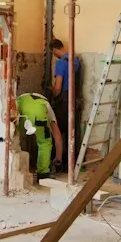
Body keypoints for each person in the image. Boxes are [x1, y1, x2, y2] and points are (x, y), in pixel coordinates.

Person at [50, 38, 81, 169]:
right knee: (72, 131)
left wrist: (52, 92)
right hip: (75, 100)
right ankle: (72, 163)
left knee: (58, 131)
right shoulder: (76, 61)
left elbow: (58, 87)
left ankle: (59, 162)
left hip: (63, 102)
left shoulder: (61, 63)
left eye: (52, 52)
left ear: (55, 50)